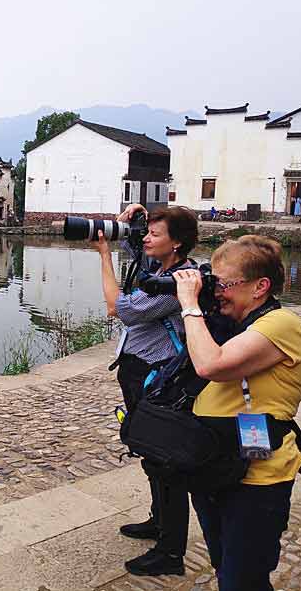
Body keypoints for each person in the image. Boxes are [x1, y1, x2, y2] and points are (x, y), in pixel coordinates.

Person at [173, 235, 301, 591]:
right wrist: (202, 306)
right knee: (225, 567)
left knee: (243, 579)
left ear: (260, 287)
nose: (217, 291)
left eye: (224, 284)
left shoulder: (281, 324)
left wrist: (189, 304)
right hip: (218, 465)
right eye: (215, 282)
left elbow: (211, 365)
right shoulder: (234, 324)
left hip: (257, 479)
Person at [95, 203, 200, 576]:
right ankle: (159, 521)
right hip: (141, 372)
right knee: (149, 453)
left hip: (160, 379)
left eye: (155, 233)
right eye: (148, 232)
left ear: (178, 243)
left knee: (165, 460)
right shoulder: (161, 267)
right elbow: (138, 254)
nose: (147, 239)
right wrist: (132, 222)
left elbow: (116, 307)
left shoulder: (177, 283)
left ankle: (171, 552)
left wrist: (104, 255)